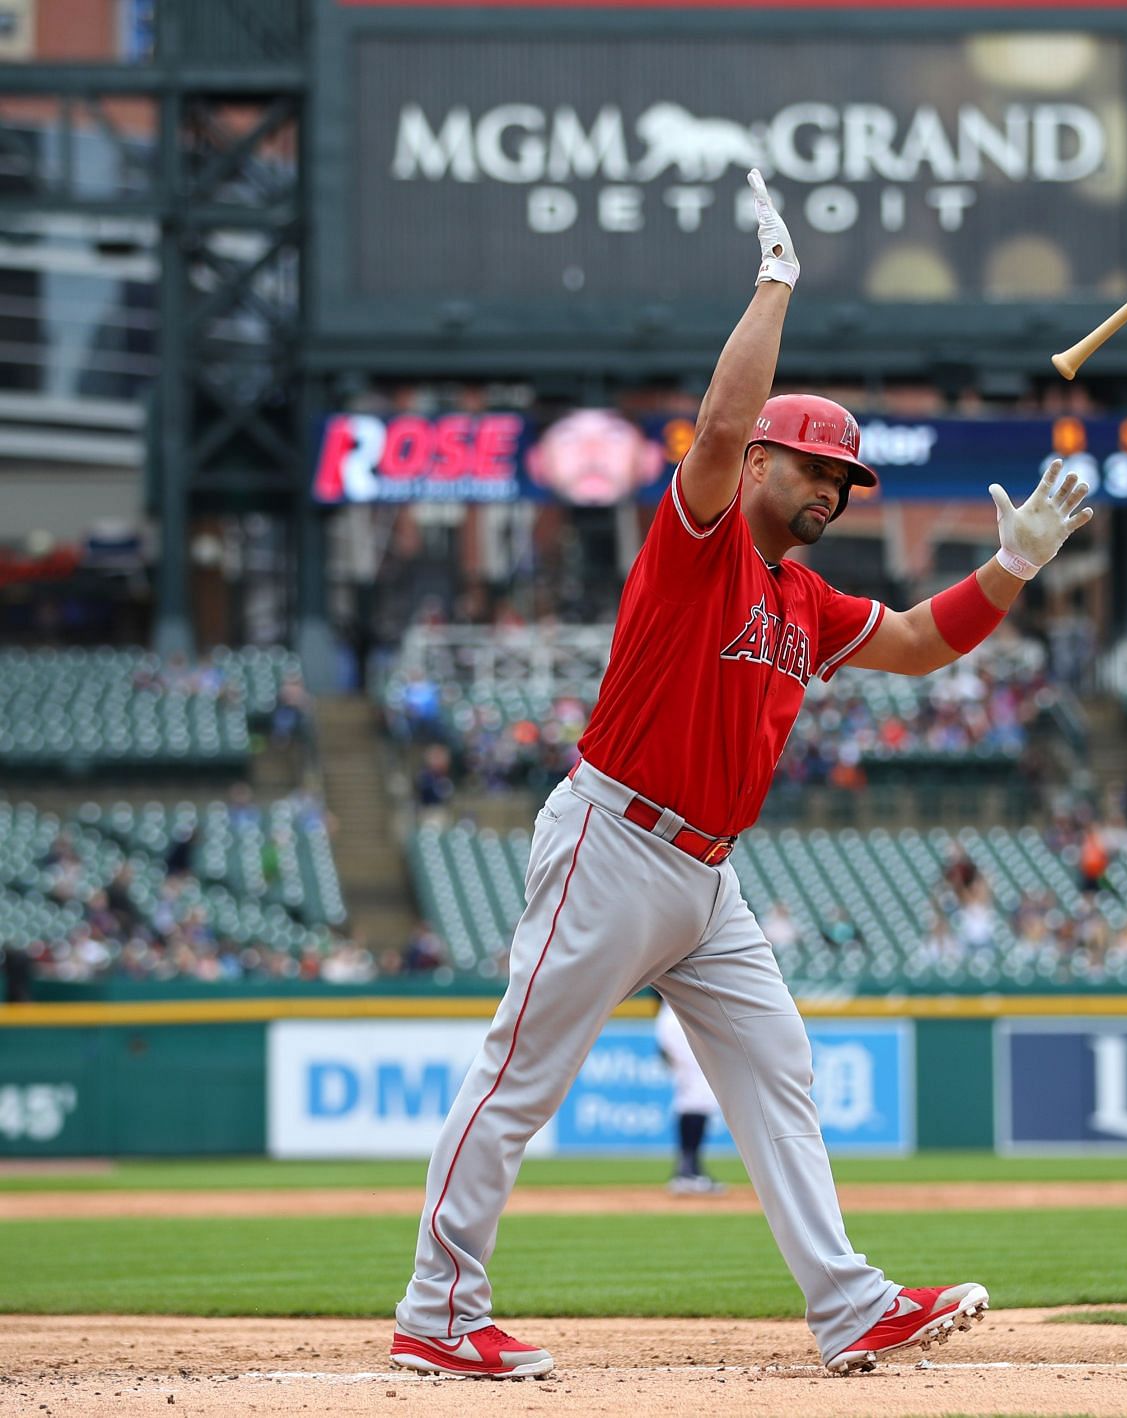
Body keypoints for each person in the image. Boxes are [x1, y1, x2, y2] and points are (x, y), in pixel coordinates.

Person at [390, 174, 1087, 1381]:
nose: (829, 492)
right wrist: (776, 283)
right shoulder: (699, 541)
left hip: (707, 875)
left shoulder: (804, 599)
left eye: (844, 482)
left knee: (778, 1068)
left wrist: (1012, 567)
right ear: (764, 461)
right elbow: (716, 430)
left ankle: (850, 1303)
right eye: (815, 470)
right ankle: (437, 1309)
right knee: (519, 1074)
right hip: (613, 841)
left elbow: (919, 644)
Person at [655, 999, 727, 1196]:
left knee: (692, 1094)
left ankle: (688, 1169)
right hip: (680, 1016)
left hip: (677, 1015)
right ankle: (687, 1172)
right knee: (698, 1093)